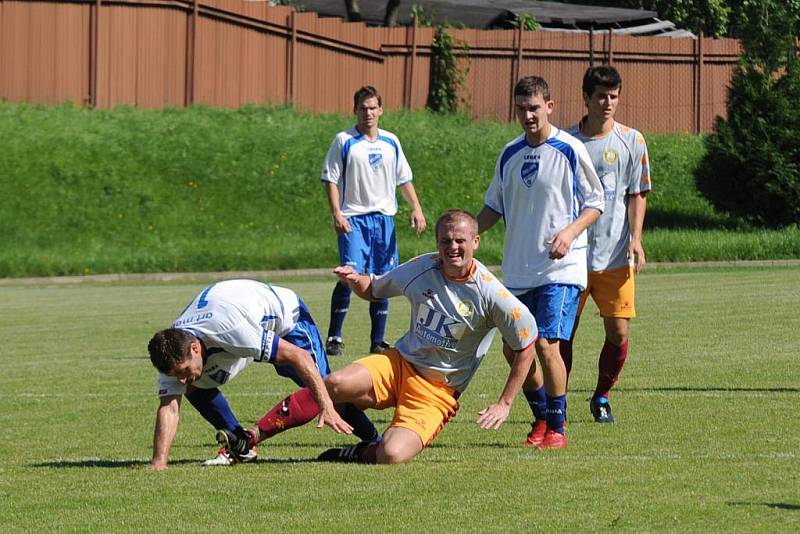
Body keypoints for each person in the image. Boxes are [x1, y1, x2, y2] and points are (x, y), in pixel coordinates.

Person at [216, 210, 538, 464]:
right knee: (336, 383)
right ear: (438, 242)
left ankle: (361, 451)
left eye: (460, 241)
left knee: (392, 455)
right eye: (445, 241)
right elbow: (375, 288)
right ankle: (252, 435)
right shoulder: (422, 267)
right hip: (398, 364)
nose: (452, 247)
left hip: (438, 391)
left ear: (476, 242)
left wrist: (505, 403)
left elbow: (526, 344)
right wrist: (356, 280)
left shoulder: (491, 293)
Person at [477, 75, 605, 449]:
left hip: (560, 270)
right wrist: (471, 234)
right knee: (513, 349)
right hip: (518, 271)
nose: (528, 115)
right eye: (521, 108)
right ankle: (540, 419)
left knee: (547, 345)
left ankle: (559, 427)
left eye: (534, 107)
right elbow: (493, 206)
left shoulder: (569, 149)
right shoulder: (509, 153)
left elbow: (595, 202)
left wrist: (569, 233)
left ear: (550, 106)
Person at [146, 279, 379, 470]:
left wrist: (326, 403)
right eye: (177, 374)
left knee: (329, 392)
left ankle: (375, 442)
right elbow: (170, 407)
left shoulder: (230, 329)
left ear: (195, 348)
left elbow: (299, 356)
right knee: (193, 386)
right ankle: (241, 445)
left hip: (286, 322)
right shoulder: (173, 350)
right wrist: (159, 462)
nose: (182, 378)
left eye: (184, 371)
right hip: (240, 331)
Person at [563, 65, 651, 423]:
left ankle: (601, 396)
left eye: (614, 96)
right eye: (601, 95)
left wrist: (636, 238)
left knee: (618, 332)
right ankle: (558, 401)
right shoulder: (566, 142)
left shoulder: (633, 140)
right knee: (562, 333)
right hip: (571, 258)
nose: (608, 102)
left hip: (614, 257)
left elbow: (637, 193)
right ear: (586, 98)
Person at [321, 85, 426, 357]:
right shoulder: (344, 141)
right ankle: (334, 336)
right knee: (349, 276)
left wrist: (416, 208)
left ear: (381, 110)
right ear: (355, 110)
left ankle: (377, 341)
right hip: (353, 219)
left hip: (384, 221)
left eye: (372, 108)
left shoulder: (391, 141)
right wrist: (336, 212)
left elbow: (404, 179)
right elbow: (330, 179)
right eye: (363, 108)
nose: (368, 113)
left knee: (382, 279)